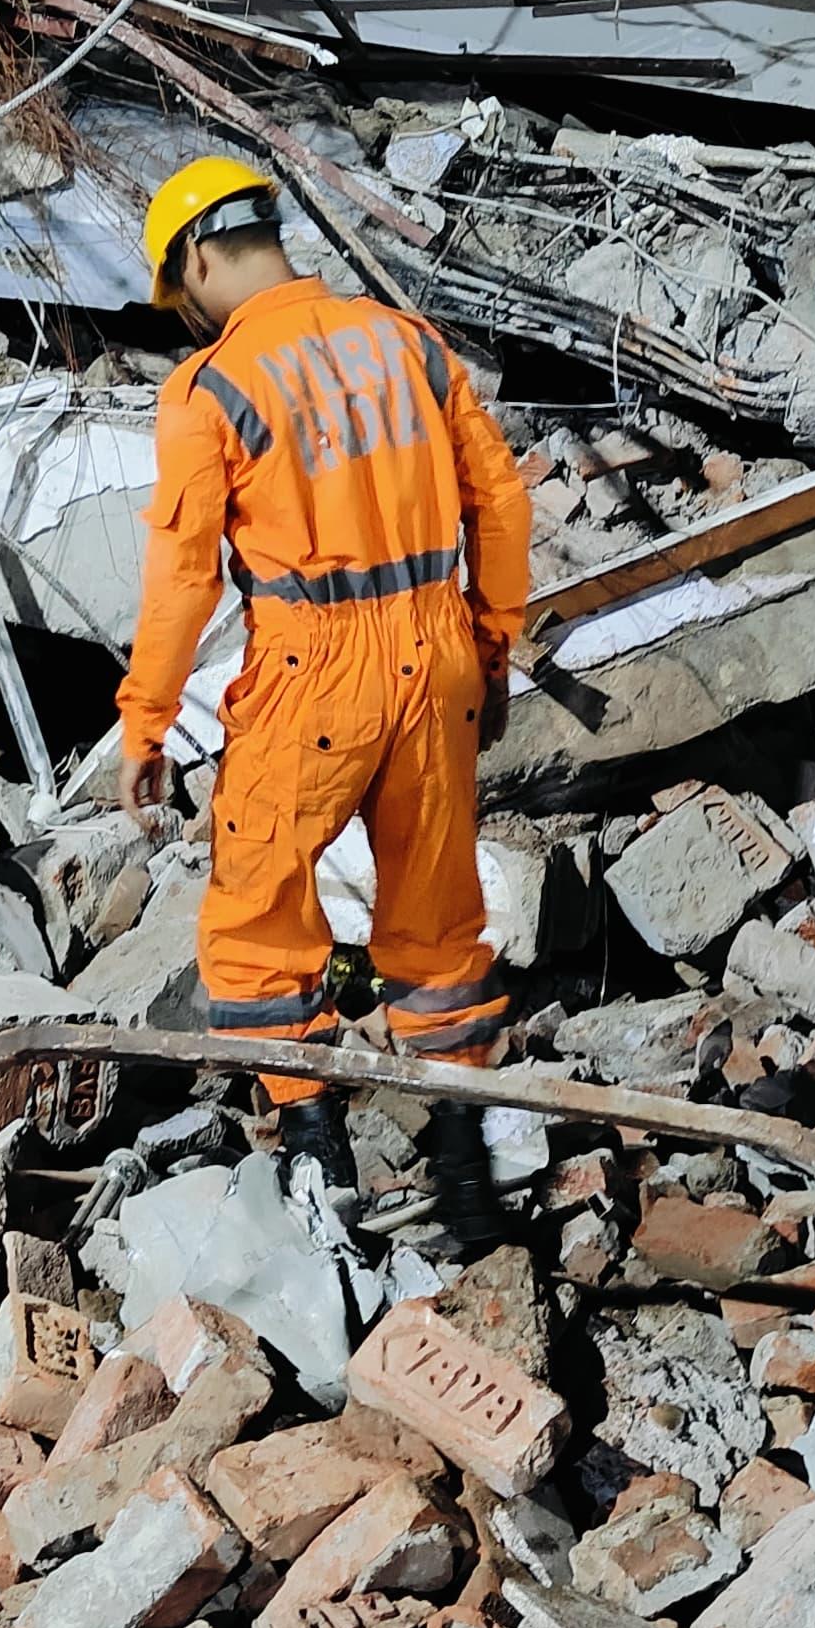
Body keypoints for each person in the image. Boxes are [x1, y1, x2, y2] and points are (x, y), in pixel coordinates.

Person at [114, 156, 534, 1241]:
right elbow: (498, 500)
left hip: (313, 669)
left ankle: (314, 1148)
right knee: (437, 923)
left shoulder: (212, 390)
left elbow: (183, 580)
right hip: (436, 649)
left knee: (256, 922)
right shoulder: (406, 343)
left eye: (183, 295)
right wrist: (489, 648)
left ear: (195, 259)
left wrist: (146, 722)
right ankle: (465, 1164)